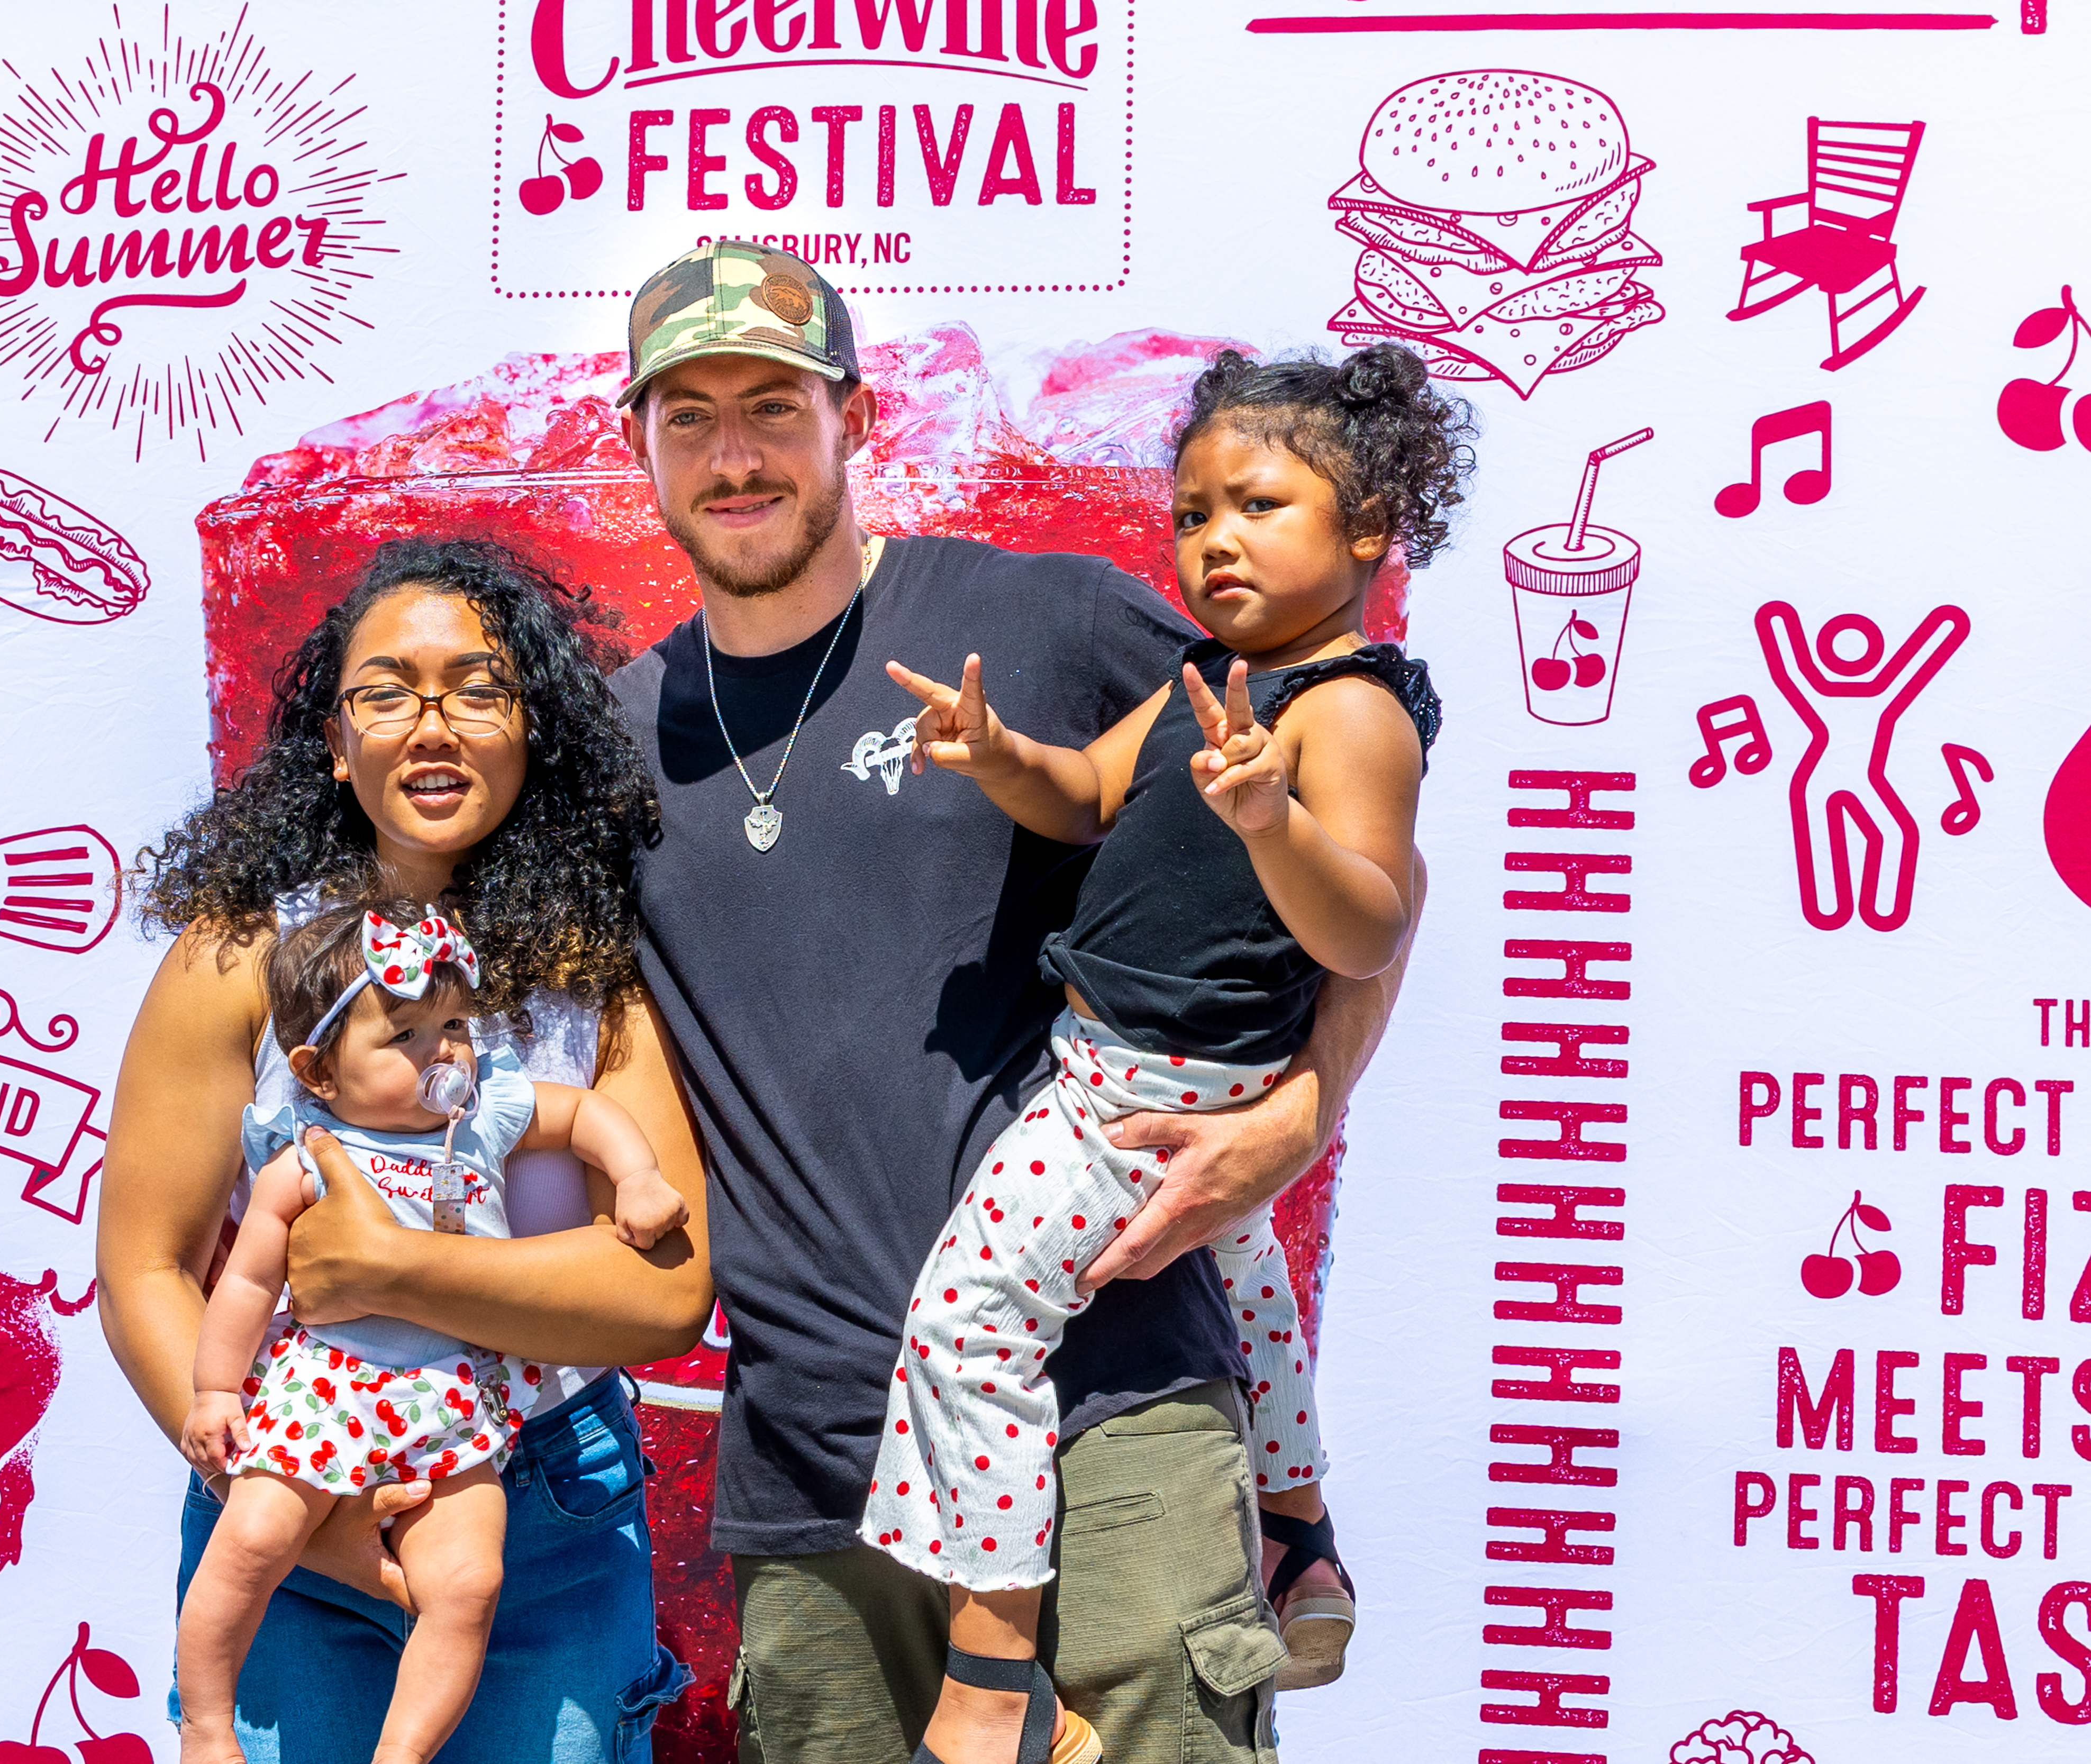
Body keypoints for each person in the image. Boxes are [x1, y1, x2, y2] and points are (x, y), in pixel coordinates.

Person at [600, 240, 1429, 1764]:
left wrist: (1308, 1103)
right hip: (817, 1458)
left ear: (858, 419)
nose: (735, 454)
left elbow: (1352, 835)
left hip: (1113, 1397)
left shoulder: (1040, 621)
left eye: (774, 406)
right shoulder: (612, 743)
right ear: (633, 439)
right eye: (691, 413)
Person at [862, 346, 1469, 1730]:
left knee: (967, 1318)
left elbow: (1369, 926)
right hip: (1153, 1075)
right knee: (1248, 1285)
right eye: (1193, 514)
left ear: (1370, 526)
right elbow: (1085, 793)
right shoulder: (1209, 675)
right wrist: (998, 750)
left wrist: (1275, 819)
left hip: (1137, 1096)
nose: (1215, 541)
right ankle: (1300, 1538)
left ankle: (992, 1662)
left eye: (1258, 504)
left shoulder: (1352, 708)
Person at [100, 537, 706, 1764]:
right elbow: (144, 1272)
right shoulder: (236, 959)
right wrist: (297, 1506)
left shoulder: (598, 976)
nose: (431, 724)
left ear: (535, 730)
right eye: (385, 691)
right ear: (334, 741)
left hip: (544, 1511)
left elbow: (666, 1289)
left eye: (477, 688)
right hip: (287, 1499)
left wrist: (386, 1268)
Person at [175, 900, 691, 1764]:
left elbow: (587, 1117)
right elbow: (250, 1281)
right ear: (320, 1071)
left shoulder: (483, 1115)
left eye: (453, 1024)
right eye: (405, 1035)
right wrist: (216, 1389)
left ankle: (402, 1752)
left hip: (455, 1410)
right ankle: (207, 1721)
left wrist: (636, 1175)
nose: (443, 1051)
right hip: (323, 1395)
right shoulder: (304, 1151)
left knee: (469, 1582)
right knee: (252, 1536)